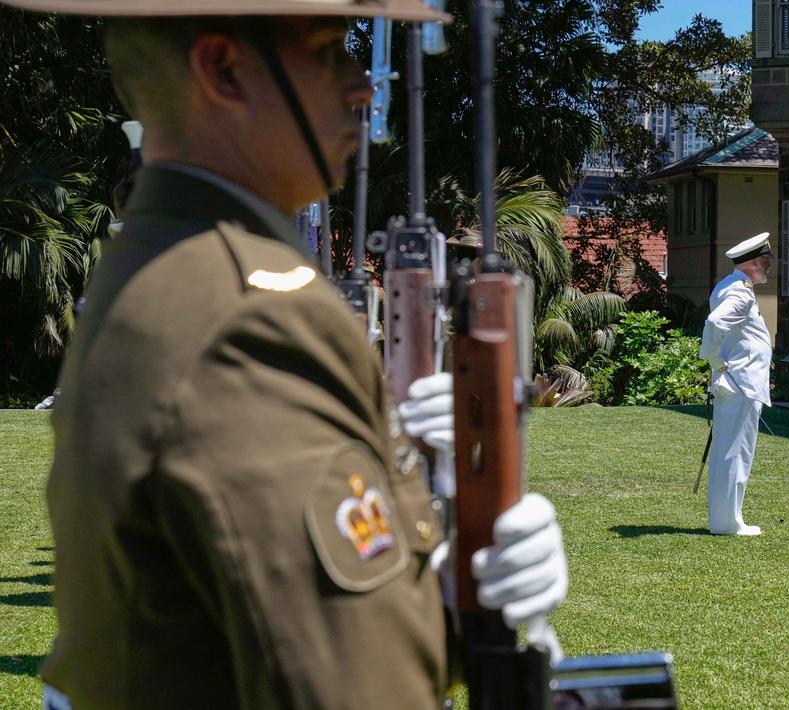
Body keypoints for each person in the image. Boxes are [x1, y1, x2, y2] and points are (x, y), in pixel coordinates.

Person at [28, 4, 567, 708]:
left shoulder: (171, 262)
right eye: (326, 50)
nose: (363, 86)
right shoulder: (248, 314)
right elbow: (346, 687)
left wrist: (445, 589)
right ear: (224, 71)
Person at [699, 232, 774, 536]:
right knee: (736, 452)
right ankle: (728, 522)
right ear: (753, 263)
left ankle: (725, 519)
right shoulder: (741, 292)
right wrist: (714, 359)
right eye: (765, 262)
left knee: (728, 450)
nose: (768, 268)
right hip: (741, 380)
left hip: (736, 380)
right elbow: (716, 323)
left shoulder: (729, 285)